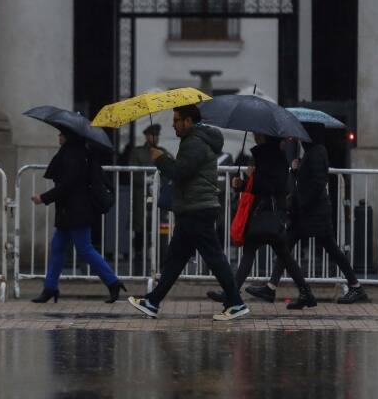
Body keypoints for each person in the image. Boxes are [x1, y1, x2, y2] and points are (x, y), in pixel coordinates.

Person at [128, 105, 249, 321]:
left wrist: (160, 159)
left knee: (214, 257)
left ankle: (236, 302)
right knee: (175, 259)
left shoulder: (195, 142)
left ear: (188, 121)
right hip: (191, 208)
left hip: (197, 208)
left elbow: (180, 172)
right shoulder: (194, 139)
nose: (173, 125)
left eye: (176, 120)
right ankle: (152, 301)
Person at [245, 123, 369, 304]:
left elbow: (318, 183)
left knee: (330, 249)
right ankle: (273, 287)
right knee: (286, 246)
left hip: (314, 213)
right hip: (307, 213)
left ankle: (355, 287)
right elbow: (308, 181)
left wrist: (300, 202)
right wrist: (297, 172)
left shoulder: (316, 152)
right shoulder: (312, 152)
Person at [208, 132, 318, 310]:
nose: (254, 135)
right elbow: (262, 187)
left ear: (265, 136)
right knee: (281, 255)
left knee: (255, 252)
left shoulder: (272, 156)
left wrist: (251, 177)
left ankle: (231, 293)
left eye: (257, 133)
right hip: (266, 214)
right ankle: (306, 293)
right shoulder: (268, 154)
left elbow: (272, 187)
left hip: (266, 214)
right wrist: (244, 184)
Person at [31, 129, 125, 303]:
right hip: (69, 210)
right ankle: (50, 288)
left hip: (76, 210)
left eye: (61, 133)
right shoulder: (74, 152)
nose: (59, 136)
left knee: (84, 249)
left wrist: (43, 198)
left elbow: (67, 184)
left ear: (69, 136)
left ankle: (113, 282)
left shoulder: (73, 155)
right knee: (58, 247)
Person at [128, 123, 172, 269]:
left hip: (158, 197)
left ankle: (161, 263)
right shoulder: (138, 152)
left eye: (157, 135)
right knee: (140, 230)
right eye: (152, 135)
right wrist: (149, 178)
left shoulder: (163, 152)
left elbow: (171, 169)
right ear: (146, 136)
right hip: (142, 197)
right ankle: (139, 262)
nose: (155, 138)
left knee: (160, 231)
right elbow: (133, 174)